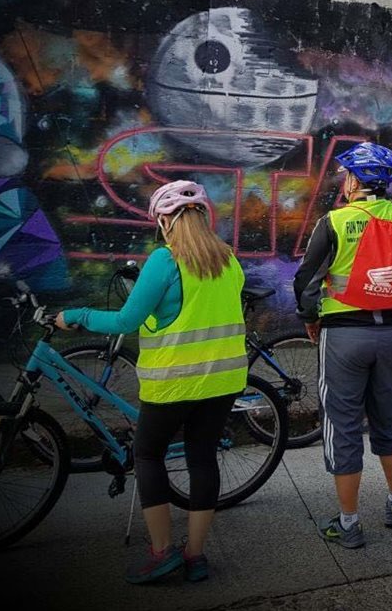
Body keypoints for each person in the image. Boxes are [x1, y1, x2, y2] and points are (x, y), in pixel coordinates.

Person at [58, 180, 246, 585]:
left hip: (174, 383)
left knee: (148, 456)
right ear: (202, 216)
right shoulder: (230, 259)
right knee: (202, 459)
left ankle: (161, 553)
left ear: (164, 221)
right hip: (225, 379)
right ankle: (195, 556)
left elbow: (125, 321)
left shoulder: (164, 261)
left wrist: (76, 315)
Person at [293, 142, 392, 550]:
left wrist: (312, 319)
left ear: (353, 181)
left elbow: (305, 282)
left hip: (344, 335)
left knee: (343, 424)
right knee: (389, 416)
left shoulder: (334, 221)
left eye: (346, 175)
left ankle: (348, 523)